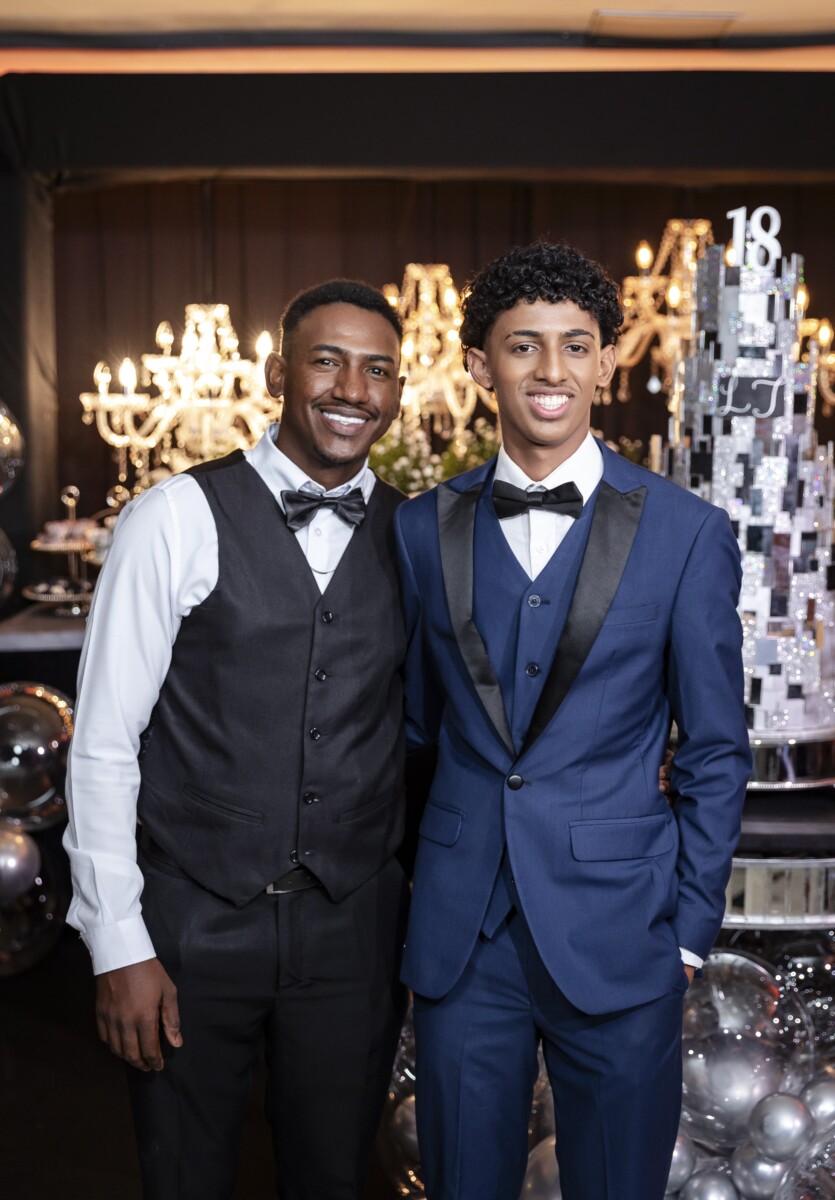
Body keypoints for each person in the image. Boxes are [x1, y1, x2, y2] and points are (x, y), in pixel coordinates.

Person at [394, 241, 752, 1200]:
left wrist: (687, 931)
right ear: (480, 366)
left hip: (623, 930)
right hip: (464, 935)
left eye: (575, 345)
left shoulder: (686, 533)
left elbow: (715, 751)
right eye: (523, 346)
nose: (550, 369)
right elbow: (414, 732)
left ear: (606, 362)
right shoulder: (421, 529)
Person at [63, 280, 411, 1200]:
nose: (353, 390)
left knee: (334, 1180)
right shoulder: (172, 517)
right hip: (193, 921)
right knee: (185, 1178)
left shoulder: (415, 534)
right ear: (276, 373)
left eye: (377, 370)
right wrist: (117, 942)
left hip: (353, 927)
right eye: (326, 362)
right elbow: (103, 744)